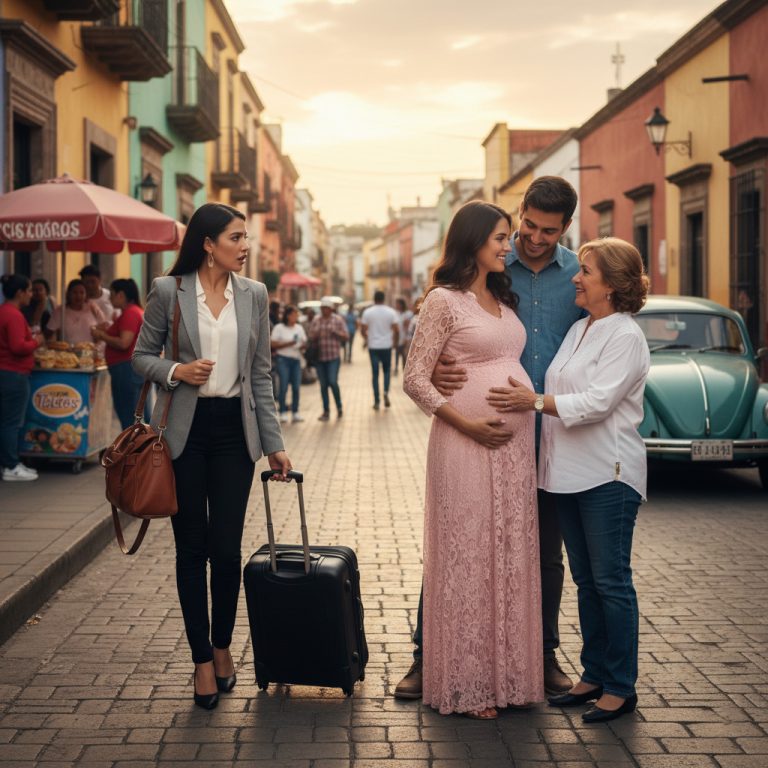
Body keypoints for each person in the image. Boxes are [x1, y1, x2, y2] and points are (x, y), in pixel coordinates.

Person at [396, 176, 582, 700]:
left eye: (548, 231)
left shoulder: (576, 275)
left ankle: (537, 656)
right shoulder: (495, 269)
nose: (532, 238)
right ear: (518, 214)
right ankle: (429, 656)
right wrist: (441, 374)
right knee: (463, 544)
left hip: (548, 434)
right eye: (526, 226)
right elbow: (429, 357)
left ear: (566, 227)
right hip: (475, 438)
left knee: (538, 554)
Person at [132, 202, 292, 711]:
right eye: (236, 238)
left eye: (245, 237)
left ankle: (222, 646)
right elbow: (140, 356)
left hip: (233, 434)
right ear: (208, 244)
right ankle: (201, 660)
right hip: (184, 433)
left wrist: (274, 444)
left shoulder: (255, 294)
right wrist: (176, 372)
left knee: (225, 549)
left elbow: (260, 373)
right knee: (191, 550)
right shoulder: (168, 291)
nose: (245, 246)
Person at [500, 237, 650, 723]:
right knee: (587, 582)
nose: (576, 278)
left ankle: (621, 686)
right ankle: (594, 674)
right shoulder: (581, 327)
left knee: (611, 582)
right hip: (566, 474)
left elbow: (598, 403)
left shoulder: (625, 336)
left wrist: (533, 402)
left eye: (586, 271)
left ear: (613, 284)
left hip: (608, 473)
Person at [403, 201, 543, 718]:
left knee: (508, 553)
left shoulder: (502, 296)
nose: (509, 246)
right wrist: (467, 424)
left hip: (513, 452)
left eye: (508, 237)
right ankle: (468, 683)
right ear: (473, 240)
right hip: (464, 444)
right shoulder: (443, 300)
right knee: (469, 554)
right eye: (500, 238)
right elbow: (415, 379)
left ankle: (509, 677)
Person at [0, 274, 43, 482]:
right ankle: (10, 465)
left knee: (6, 421)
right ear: (19, 293)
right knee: (12, 422)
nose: (31, 294)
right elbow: (18, 346)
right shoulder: (14, 315)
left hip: (6, 372)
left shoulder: (4, 312)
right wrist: (36, 342)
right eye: (29, 290)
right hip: (14, 374)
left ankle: (9, 463)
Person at [91, 278, 148, 429]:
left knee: (128, 414)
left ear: (121, 295)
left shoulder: (130, 313)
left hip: (126, 369)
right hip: (130, 368)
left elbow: (124, 343)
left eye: (112, 294)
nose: (109, 299)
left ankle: (131, 443)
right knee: (135, 413)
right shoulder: (134, 311)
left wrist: (101, 335)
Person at [309, 297, 348, 421]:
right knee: (323, 385)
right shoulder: (316, 320)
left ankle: (339, 406)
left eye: (327, 308)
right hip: (320, 357)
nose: (324, 310)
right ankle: (326, 411)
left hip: (333, 357)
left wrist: (336, 332)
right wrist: (316, 334)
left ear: (331, 309)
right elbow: (310, 335)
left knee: (332, 382)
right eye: (323, 308)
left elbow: (346, 336)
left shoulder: (338, 320)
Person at [361, 291, 399, 410]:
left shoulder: (367, 312)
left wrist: (367, 339)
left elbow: (363, 330)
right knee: (387, 371)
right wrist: (394, 342)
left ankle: (376, 400)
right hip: (386, 346)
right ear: (384, 298)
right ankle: (386, 392)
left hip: (373, 347)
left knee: (375, 374)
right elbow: (396, 330)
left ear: (374, 299)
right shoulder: (391, 312)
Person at [270, 304, 307, 423]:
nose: (295, 317)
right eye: (293, 315)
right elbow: (273, 344)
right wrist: (289, 343)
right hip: (283, 360)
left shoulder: (299, 328)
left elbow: (304, 342)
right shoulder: (279, 327)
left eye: (297, 315)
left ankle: (295, 412)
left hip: (296, 359)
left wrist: (303, 346)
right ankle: (283, 412)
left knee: (296, 387)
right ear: (287, 315)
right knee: (284, 386)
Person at [47, 279, 107, 345]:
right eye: (74, 292)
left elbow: (104, 327)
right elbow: (49, 332)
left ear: (86, 294)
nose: (78, 296)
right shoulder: (60, 311)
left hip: (91, 349)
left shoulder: (93, 308)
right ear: (69, 294)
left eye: (82, 293)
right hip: (67, 350)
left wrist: (96, 331)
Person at [393, 297, 413, 374]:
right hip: (398, 338)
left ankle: (405, 371)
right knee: (397, 354)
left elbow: (409, 327)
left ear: (401, 305)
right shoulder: (395, 314)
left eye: (397, 304)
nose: (396, 305)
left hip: (406, 338)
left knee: (405, 356)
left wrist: (406, 337)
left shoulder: (408, 314)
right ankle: (396, 368)